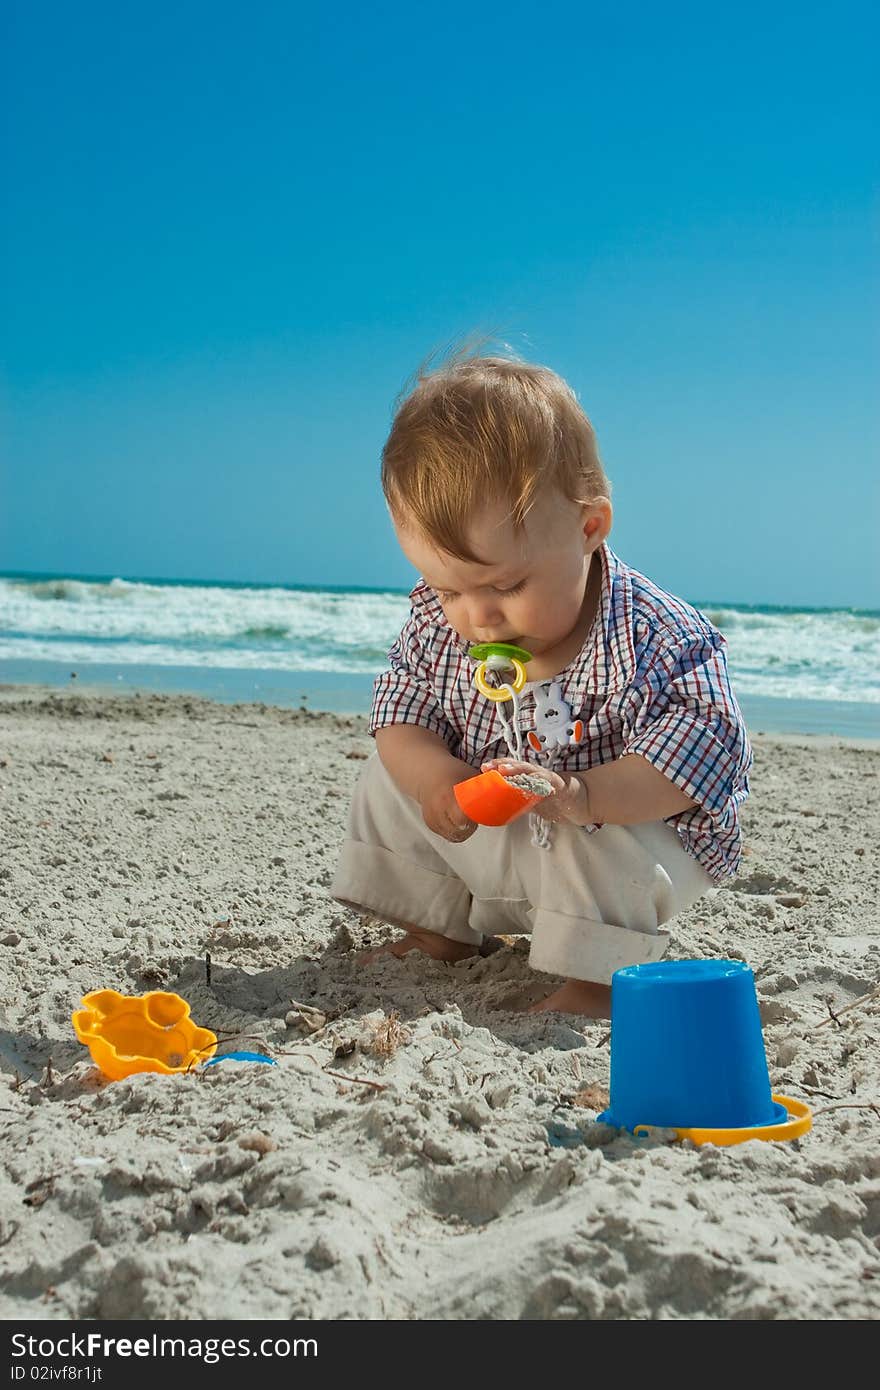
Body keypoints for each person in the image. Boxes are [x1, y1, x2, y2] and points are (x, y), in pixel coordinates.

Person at [330, 347, 752, 1017]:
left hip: (626, 844)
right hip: (504, 841)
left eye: (506, 585)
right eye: (448, 588)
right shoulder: (442, 624)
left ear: (588, 528)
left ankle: (595, 980)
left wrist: (587, 795)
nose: (478, 615)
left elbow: (704, 748)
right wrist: (436, 781)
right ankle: (437, 927)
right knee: (389, 775)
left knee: (598, 832)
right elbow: (403, 709)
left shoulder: (658, 638)